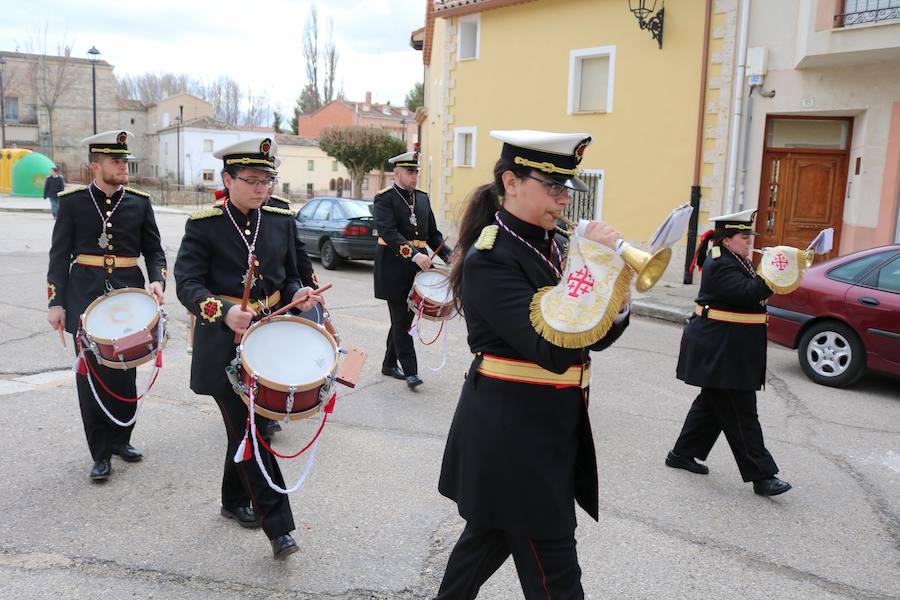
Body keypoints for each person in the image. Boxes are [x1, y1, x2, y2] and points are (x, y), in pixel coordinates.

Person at [436, 130, 631, 598]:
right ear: (511, 181)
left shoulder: (554, 246)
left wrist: (618, 300)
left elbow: (590, 341)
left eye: (568, 189)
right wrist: (593, 273)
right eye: (553, 188)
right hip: (515, 437)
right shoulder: (491, 257)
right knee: (555, 570)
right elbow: (551, 347)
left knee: (488, 538)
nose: (564, 200)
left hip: (544, 426)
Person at [174, 137, 322, 559]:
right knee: (250, 431)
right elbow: (187, 284)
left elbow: (291, 275)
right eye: (252, 180)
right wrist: (222, 310)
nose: (261, 189)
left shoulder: (278, 217)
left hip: (271, 337)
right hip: (224, 344)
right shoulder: (204, 224)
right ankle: (279, 528)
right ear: (227, 179)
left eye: (267, 180)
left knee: (243, 429)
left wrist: (301, 293)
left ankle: (231, 499)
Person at [46, 131, 166, 482]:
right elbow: (58, 257)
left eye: (125, 161)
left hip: (130, 299)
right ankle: (100, 453)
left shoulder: (140, 203)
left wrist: (157, 279)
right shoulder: (72, 202)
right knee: (91, 379)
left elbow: (154, 250)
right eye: (116, 162)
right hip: (84, 298)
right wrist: (56, 302)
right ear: (96, 166)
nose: (123, 167)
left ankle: (120, 439)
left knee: (126, 371)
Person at [665, 209, 792, 497]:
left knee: (711, 405)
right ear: (727, 239)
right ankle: (763, 476)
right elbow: (749, 293)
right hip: (720, 349)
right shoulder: (722, 263)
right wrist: (776, 272)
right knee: (741, 412)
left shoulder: (735, 259)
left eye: (750, 237)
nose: (749, 242)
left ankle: (682, 454)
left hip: (727, 346)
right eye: (744, 237)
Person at [373, 150, 452, 390]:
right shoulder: (384, 199)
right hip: (393, 267)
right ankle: (411, 371)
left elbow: (433, 234)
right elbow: (389, 233)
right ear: (396, 173)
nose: (414, 176)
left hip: (419, 269)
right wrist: (415, 255)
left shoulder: (423, 198)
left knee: (402, 319)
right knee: (401, 320)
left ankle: (388, 363)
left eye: (416, 171)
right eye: (409, 172)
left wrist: (450, 256)